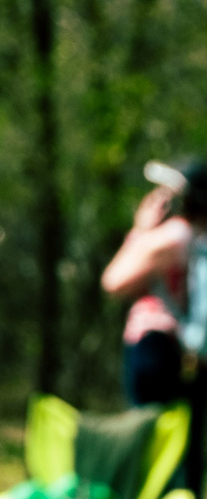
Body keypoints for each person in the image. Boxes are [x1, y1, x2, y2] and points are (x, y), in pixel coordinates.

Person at [101, 160, 201, 408]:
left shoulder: (173, 237)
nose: (157, 198)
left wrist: (140, 229)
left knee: (151, 434)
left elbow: (113, 281)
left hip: (155, 344)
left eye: (166, 192)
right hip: (173, 346)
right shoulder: (191, 237)